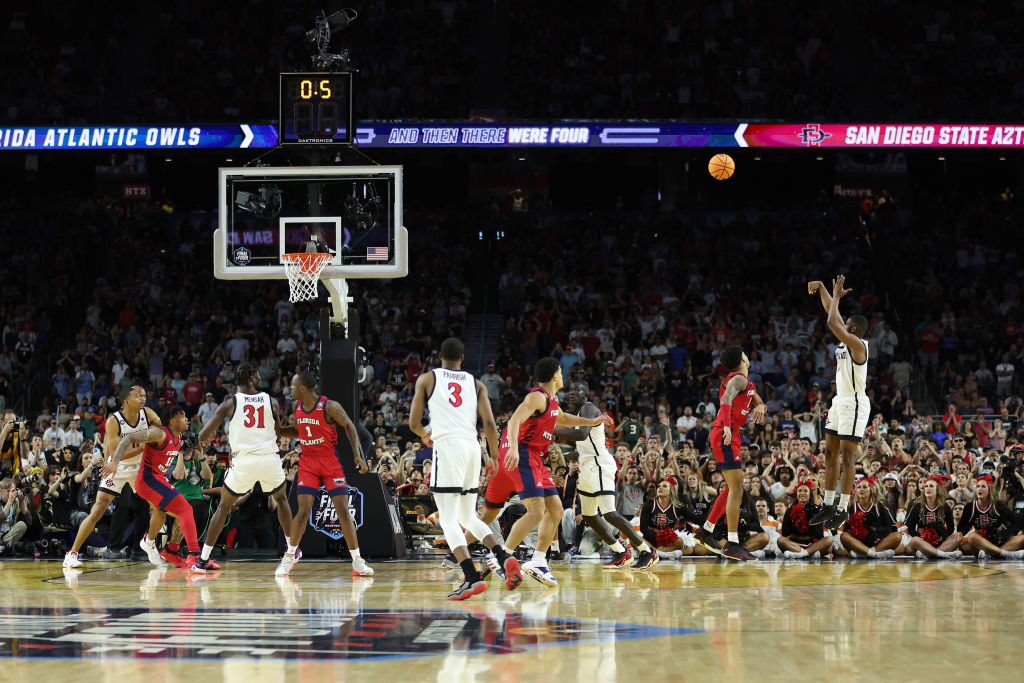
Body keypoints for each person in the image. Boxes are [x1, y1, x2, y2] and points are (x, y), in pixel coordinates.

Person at [409, 337, 513, 600]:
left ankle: (471, 577)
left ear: (439, 357)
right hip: (472, 448)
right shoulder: (476, 383)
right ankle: (502, 556)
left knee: (447, 518)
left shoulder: (427, 379)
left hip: (448, 447)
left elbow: (413, 423)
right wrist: (492, 456)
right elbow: (489, 422)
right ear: (462, 359)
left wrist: (424, 434)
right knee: (468, 516)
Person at [497, 357, 611, 588]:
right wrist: (514, 448)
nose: (563, 374)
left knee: (556, 509)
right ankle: (502, 558)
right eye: (561, 371)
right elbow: (514, 420)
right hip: (525, 454)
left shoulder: (551, 400)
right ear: (555, 375)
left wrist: (592, 421)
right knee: (536, 511)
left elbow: (564, 418)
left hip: (536, 458)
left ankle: (538, 561)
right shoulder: (537, 396)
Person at [196, 362, 298, 572]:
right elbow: (279, 432)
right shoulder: (272, 401)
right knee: (281, 499)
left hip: (244, 461)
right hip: (269, 458)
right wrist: (300, 431)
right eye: (258, 375)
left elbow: (203, 436)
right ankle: (292, 550)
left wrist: (208, 438)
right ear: (251, 377)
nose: (260, 378)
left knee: (224, 506)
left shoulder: (229, 403)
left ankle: (203, 559)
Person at [278, 371, 373, 578]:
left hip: (329, 461)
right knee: (303, 510)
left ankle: (357, 561)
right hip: (308, 462)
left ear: (302, 388)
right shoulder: (296, 407)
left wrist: (358, 456)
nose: (290, 390)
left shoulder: (330, 406)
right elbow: (299, 431)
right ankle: (289, 557)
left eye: (293, 386)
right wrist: (278, 431)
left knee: (343, 510)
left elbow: (349, 426)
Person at [558, 386, 658, 570]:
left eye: (577, 390)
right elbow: (576, 437)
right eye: (570, 391)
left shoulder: (589, 408)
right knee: (589, 515)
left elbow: (581, 434)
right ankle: (620, 552)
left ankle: (647, 551)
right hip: (587, 467)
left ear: (586, 395)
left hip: (599, 465)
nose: (571, 393)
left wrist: (551, 431)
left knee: (609, 513)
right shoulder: (578, 415)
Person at [64, 386, 162, 568]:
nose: (142, 399)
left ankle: (150, 544)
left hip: (140, 468)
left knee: (160, 506)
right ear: (126, 401)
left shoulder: (148, 413)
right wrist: (146, 444)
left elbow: (161, 431)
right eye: (137, 396)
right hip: (118, 467)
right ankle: (72, 553)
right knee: (98, 509)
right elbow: (120, 453)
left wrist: (156, 435)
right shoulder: (113, 421)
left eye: (144, 395)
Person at [103, 406, 207, 572]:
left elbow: (193, 442)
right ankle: (195, 556)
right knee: (185, 509)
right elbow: (128, 438)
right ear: (173, 420)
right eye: (183, 416)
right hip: (147, 479)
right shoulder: (159, 433)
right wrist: (115, 461)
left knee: (164, 512)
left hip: (159, 479)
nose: (187, 419)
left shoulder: (180, 437)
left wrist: (201, 444)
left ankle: (155, 544)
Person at [807, 276, 870, 530]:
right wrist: (823, 288)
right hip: (839, 402)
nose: (842, 326)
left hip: (854, 404)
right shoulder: (847, 338)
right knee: (829, 453)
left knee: (847, 457)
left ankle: (843, 508)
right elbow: (832, 314)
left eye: (848, 325)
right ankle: (829, 503)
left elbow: (832, 320)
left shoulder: (858, 346)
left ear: (853, 331)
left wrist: (836, 295)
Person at [694, 345, 767, 561]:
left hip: (731, 434)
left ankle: (706, 530)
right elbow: (725, 400)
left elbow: (759, 401)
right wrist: (727, 426)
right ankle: (732, 543)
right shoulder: (738, 379)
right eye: (746, 353)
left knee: (732, 488)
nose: (748, 354)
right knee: (736, 487)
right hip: (726, 433)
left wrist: (761, 407)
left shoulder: (747, 383)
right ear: (743, 359)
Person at [836, 478, 900, 558]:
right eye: (859, 487)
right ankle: (873, 554)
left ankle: (864, 553)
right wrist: (857, 531)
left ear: (872, 490)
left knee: (897, 536)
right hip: (858, 542)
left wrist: (876, 531)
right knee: (844, 536)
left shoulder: (880, 507)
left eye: (864, 487)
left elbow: (892, 528)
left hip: (877, 542)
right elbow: (846, 530)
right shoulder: (852, 508)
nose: (861, 489)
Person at [903, 476, 963, 560]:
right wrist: (920, 536)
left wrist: (942, 536)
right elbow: (910, 528)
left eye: (931, 486)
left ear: (937, 490)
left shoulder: (945, 507)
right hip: (922, 542)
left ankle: (930, 554)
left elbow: (951, 528)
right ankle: (942, 554)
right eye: (926, 486)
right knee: (915, 540)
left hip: (940, 541)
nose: (928, 488)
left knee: (958, 538)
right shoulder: (917, 506)